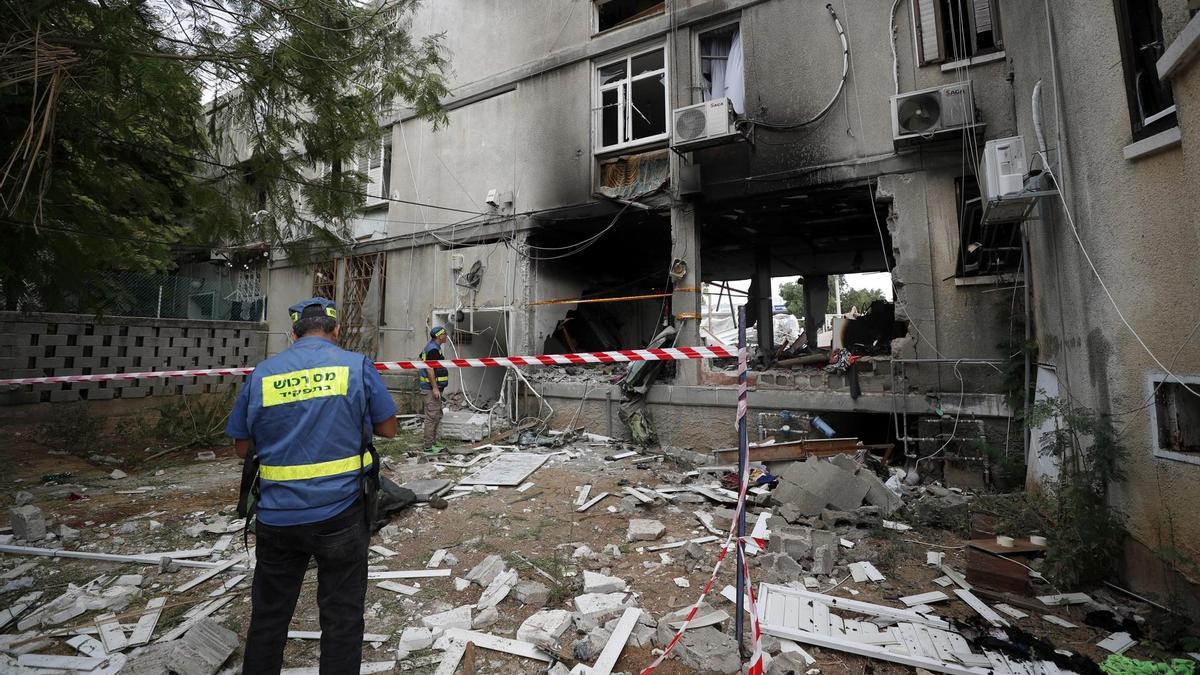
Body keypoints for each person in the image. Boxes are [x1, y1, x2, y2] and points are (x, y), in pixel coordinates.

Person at [226, 297, 397, 674]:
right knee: (342, 616)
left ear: (293, 333)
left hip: (276, 516)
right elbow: (387, 427)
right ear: (337, 330)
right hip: (341, 513)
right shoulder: (355, 366)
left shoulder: (263, 373)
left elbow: (242, 447)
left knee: (269, 616)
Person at [419, 326, 450, 453]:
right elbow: (430, 368)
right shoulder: (432, 349)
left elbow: (421, 359)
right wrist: (435, 388)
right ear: (439, 336)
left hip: (432, 388)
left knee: (436, 415)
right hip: (430, 389)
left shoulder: (432, 347)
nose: (446, 336)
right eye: (444, 334)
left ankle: (433, 443)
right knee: (431, 417)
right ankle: (428, 447)